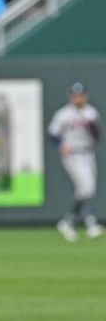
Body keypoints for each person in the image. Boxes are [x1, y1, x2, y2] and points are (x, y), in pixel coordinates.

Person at [48, 82, 103, 241]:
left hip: (87, 153)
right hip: (72, 154)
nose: (78, 98)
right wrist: (60, 145)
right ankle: (89, 222)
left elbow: (98, 136)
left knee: (86, 189)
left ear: (85, 96)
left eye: (81, 95)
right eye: (75, 95)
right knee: (86, 188)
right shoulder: (63, 115)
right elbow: (52, 135)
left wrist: (92, 127)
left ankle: (69, 222)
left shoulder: (91, 113)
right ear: (71, 97)